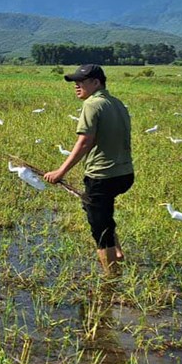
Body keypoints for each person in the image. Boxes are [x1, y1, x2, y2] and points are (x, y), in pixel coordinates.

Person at [44, 64, 134, 277]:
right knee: (103, 212)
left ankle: (111, 279)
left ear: (96, 83)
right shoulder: (117, 103)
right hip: (124, 174)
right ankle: (118, 253)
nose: (77, 86)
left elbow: (85, 142)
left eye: (81, 82)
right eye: (75, 82)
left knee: (99, 228)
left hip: (102, 176)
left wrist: (60, 172)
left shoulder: (92, 105)